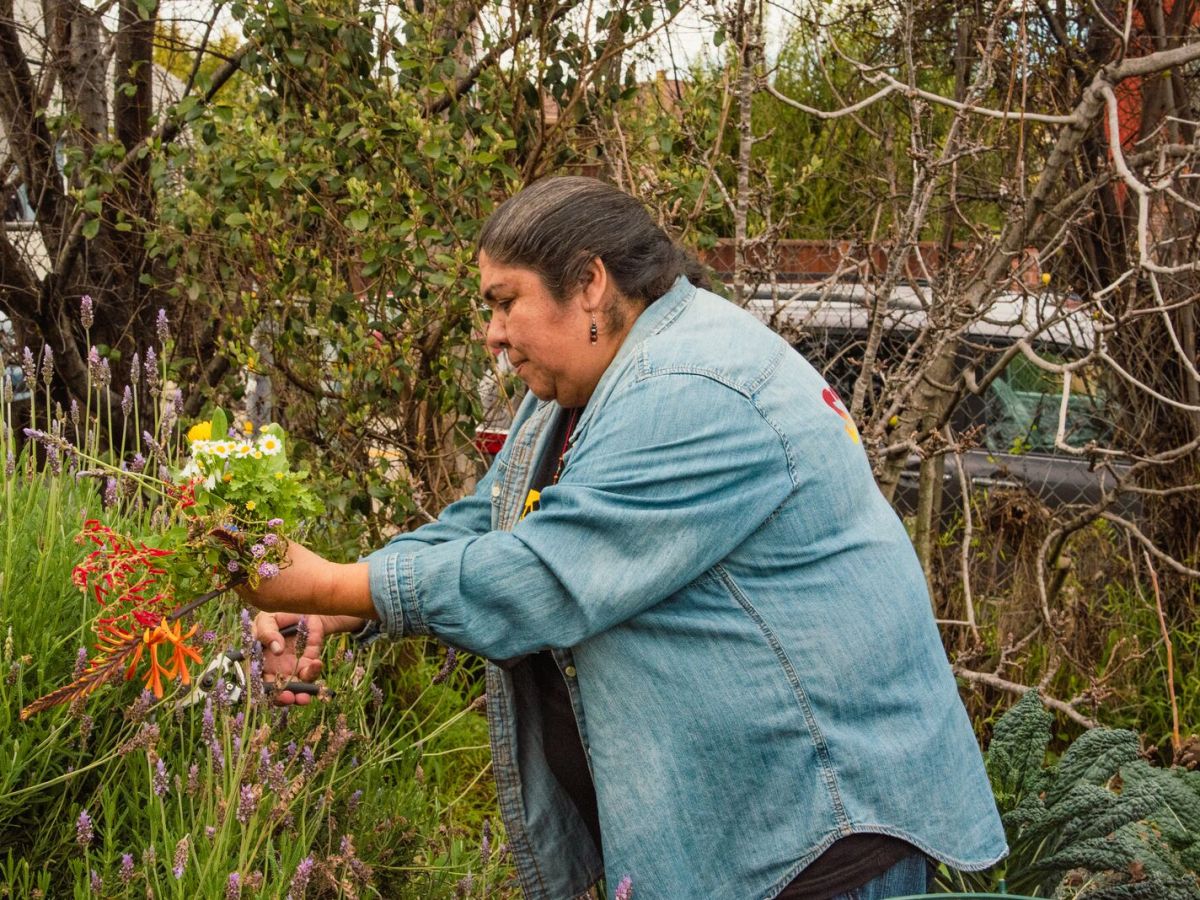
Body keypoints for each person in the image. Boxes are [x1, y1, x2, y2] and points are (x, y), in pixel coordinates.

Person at [245, 176, 1008, 900]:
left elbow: (545, 577)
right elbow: (487, 522)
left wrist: (328, 583)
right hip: (738, 840)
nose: (492, 335)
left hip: (808, 846)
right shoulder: (582, 388)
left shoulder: (691, 387)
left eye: (505, 302)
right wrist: (345, 603)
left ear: (588, 284)